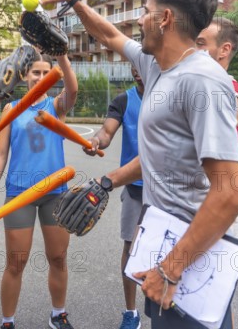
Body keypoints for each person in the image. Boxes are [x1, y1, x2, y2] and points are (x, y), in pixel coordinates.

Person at [35, 0, 238, 329]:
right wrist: (74, 1)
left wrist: (171, 269)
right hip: (163, 244)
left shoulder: (202, 82)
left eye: (146, 9)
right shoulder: (157, 66)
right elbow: (109, 34)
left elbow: (231, 193)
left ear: (164, 19)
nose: (138, 18)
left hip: (189, 258)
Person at [0, 53, 78, 329]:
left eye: (45, 72)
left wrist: (61, 57)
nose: (39, 77)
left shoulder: (56, 106)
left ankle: (58, 314)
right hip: (20, 193)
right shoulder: (11, 108)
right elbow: (0, 154)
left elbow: (72, 89)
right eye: (35, 72)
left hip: (55, 192)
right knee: (16, 263)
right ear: (25, 76)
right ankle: (7, 321)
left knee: (58, 258)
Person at [83, 67, 144, 329]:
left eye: (141, 65)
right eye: (133, 67)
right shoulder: (124, 100)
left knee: (171, 249)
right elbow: (106, 132)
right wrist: (96, 141)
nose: (137, 71)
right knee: (131, 249)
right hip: (135, 186)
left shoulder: (171, 96)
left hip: (169, 188)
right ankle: (131, 312)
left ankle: (169, 305)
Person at [196, 17, 238, 239]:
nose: (193, 48)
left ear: (224, 50)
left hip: (215, 206)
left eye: (201, 43)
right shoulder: (209, 88)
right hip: (199, 202)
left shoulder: (225, 93)